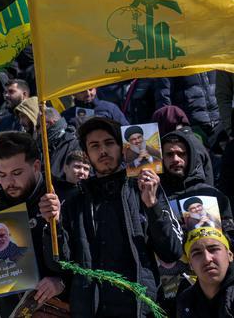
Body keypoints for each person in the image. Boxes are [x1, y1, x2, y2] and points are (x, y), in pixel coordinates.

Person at [38, 117, 184, 318]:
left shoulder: (144, 190)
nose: (103, 151)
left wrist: (152, 205)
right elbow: (59, 264)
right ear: (87, 155)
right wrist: (52, 224)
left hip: (140, 309)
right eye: (95, 146)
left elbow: (172, 251)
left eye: (109, 143)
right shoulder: (74, 202)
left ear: (122, 149)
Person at [0, 131, 65, 314]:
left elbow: (89, 260)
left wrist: (62, 282)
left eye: (16, 173)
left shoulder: (62, 199)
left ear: (36, 166)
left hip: (60, 309)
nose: (9, 182)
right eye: (2, 174)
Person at [176, 227, 234, 317]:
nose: (207, 259)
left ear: (230, 255)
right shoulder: (186, 301)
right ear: (190, 264)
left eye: (213, 249)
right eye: (197, 253)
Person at [62, 88, 128, 128]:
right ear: (73, 93)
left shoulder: (110, 108)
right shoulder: (66, 116)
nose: (88, 93)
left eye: (90, 89)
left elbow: (125, 129)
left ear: (95, 89)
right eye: (82, 91)